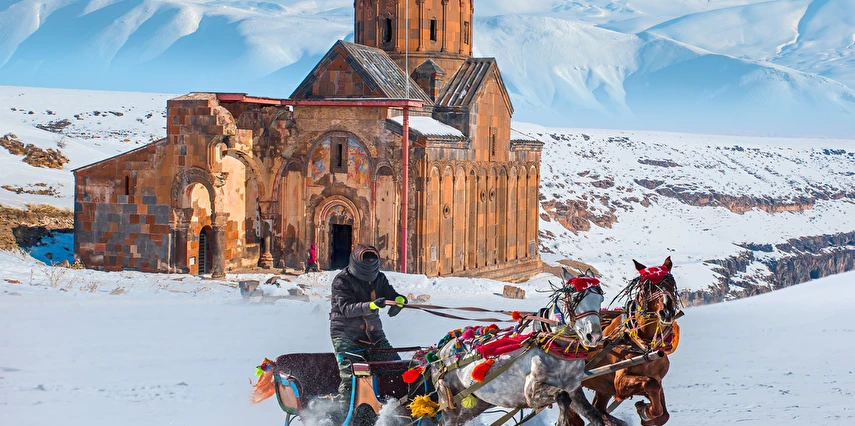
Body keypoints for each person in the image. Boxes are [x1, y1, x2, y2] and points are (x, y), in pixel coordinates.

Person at [329, 244, 407, 398]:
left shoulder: (380, 278)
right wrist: (371, 305)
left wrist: (399, 300)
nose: (370, 262)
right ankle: (341, 414)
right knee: (351, 379)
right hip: (346, 336)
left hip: (374, 335)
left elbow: (392, 294)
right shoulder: (342, 280)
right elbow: (346, 308)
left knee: (397, 369)